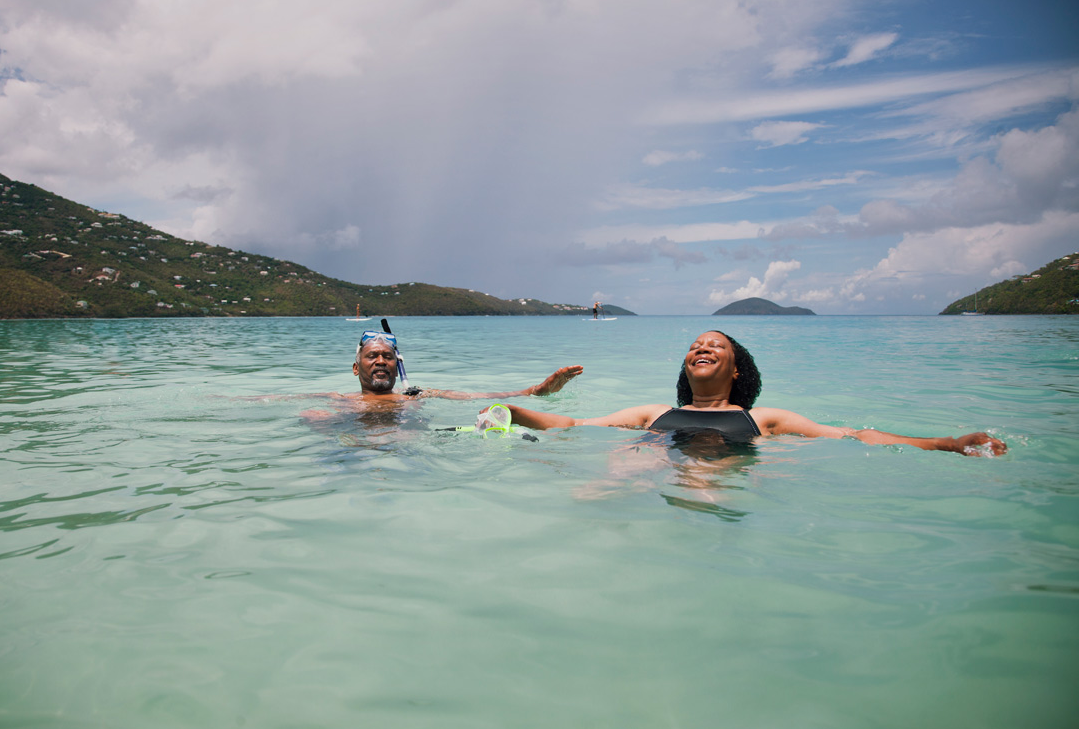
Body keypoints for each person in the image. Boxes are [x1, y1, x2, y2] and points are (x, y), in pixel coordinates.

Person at [485, 330, 1007, 456]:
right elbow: (577, 426)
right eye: (695, 346)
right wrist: (515, 411)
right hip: (657, 466)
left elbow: (853, 435)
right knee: (613, 477)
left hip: (730, 473)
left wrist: (946, 443)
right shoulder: (654, 411)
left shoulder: (767, 418)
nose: (702, 348)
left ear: (737, 371)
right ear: (687, 366)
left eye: (716, 346)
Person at [349, 329, 582, 401]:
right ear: (356, 368)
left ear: (396, 365)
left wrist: (536, 391)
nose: (381, 361)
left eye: (387, 357)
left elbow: (474, 397)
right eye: (372, 356)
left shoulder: (418, 395)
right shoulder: (340, 402)